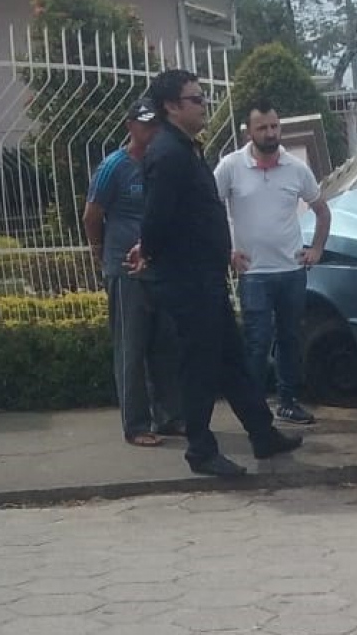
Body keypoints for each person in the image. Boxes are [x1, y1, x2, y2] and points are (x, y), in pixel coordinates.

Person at [131, 69, 302, 478]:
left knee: (231, 359)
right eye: (197, 99)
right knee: (199, 366)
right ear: (172, 106)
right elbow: (157, 217)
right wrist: (149, 251)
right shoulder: (169, 154)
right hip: (188, 280)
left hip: (204, 275)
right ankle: (200, 451)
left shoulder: (185, 148)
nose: (204, 105)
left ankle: (262, 434)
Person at [214, 99, 331, 424]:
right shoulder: (230, 167)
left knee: (290, 338)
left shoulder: (295, 168)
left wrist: (317, 249)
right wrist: (227, 250)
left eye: (274, 126)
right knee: (257, 341)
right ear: (249, 131)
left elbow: (321, 209)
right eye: (262, 127)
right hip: (254, 273)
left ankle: (288, 401)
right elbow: (208, 208)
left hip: (292, 271)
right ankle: (254, 409)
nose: (270, 133)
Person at [83, 98, 183, 447]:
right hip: (126, 271)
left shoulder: (161, 164)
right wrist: (102, 255)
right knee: (132, 348)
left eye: (156, 124)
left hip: (161, 269)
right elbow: (92, 216)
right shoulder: (114, 166)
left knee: (166, 346)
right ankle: (137, 424)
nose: (151, 130)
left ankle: (170, 416)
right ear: (130, 127)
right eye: (144, 124)